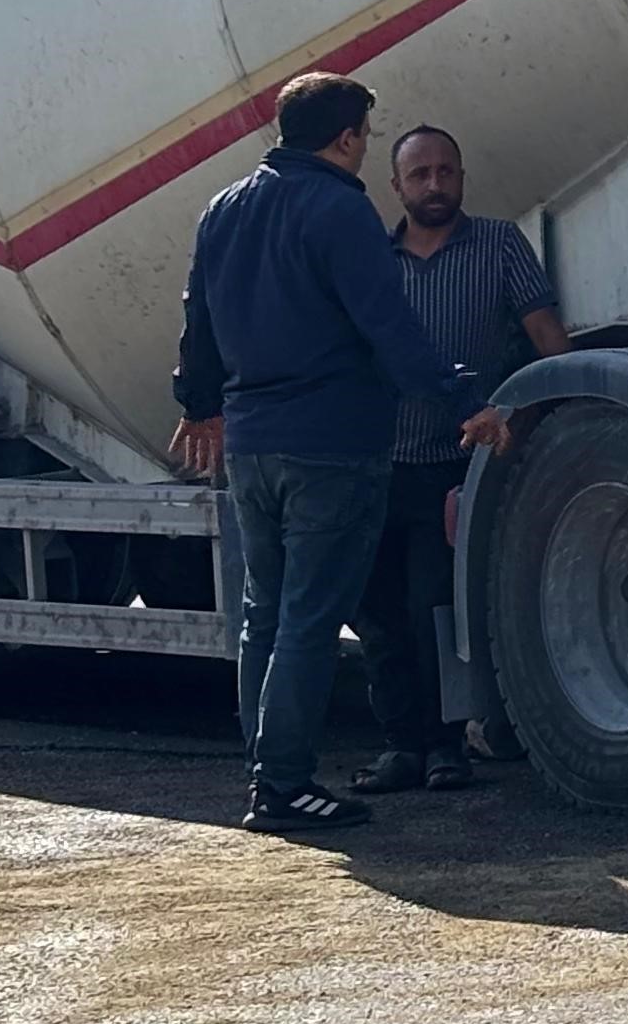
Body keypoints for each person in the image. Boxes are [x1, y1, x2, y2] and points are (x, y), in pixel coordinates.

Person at [171, 73, 511, 835]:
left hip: (252, 442)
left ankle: (266, 769)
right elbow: (388, 327)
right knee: (309, 620)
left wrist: (198, 404)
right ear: (348, 137)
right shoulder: (340, 209)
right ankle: (284, 787)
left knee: (265, 614)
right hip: (330, 441)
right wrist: (465, 403)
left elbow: (199, 318)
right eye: (365, 133)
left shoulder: (224, 207)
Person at [355, 123, 569, 792]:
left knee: (433, 610)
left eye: (447, 171)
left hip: (454, 465)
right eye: (420, 175)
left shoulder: (500, 245)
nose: (435, 185)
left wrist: (521, 418)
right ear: (396, 186)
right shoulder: (368, 258)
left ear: (462, 178)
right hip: (373, 465)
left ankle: (446, 744)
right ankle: (400, 747)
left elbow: (549, 346)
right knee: (378, 615)